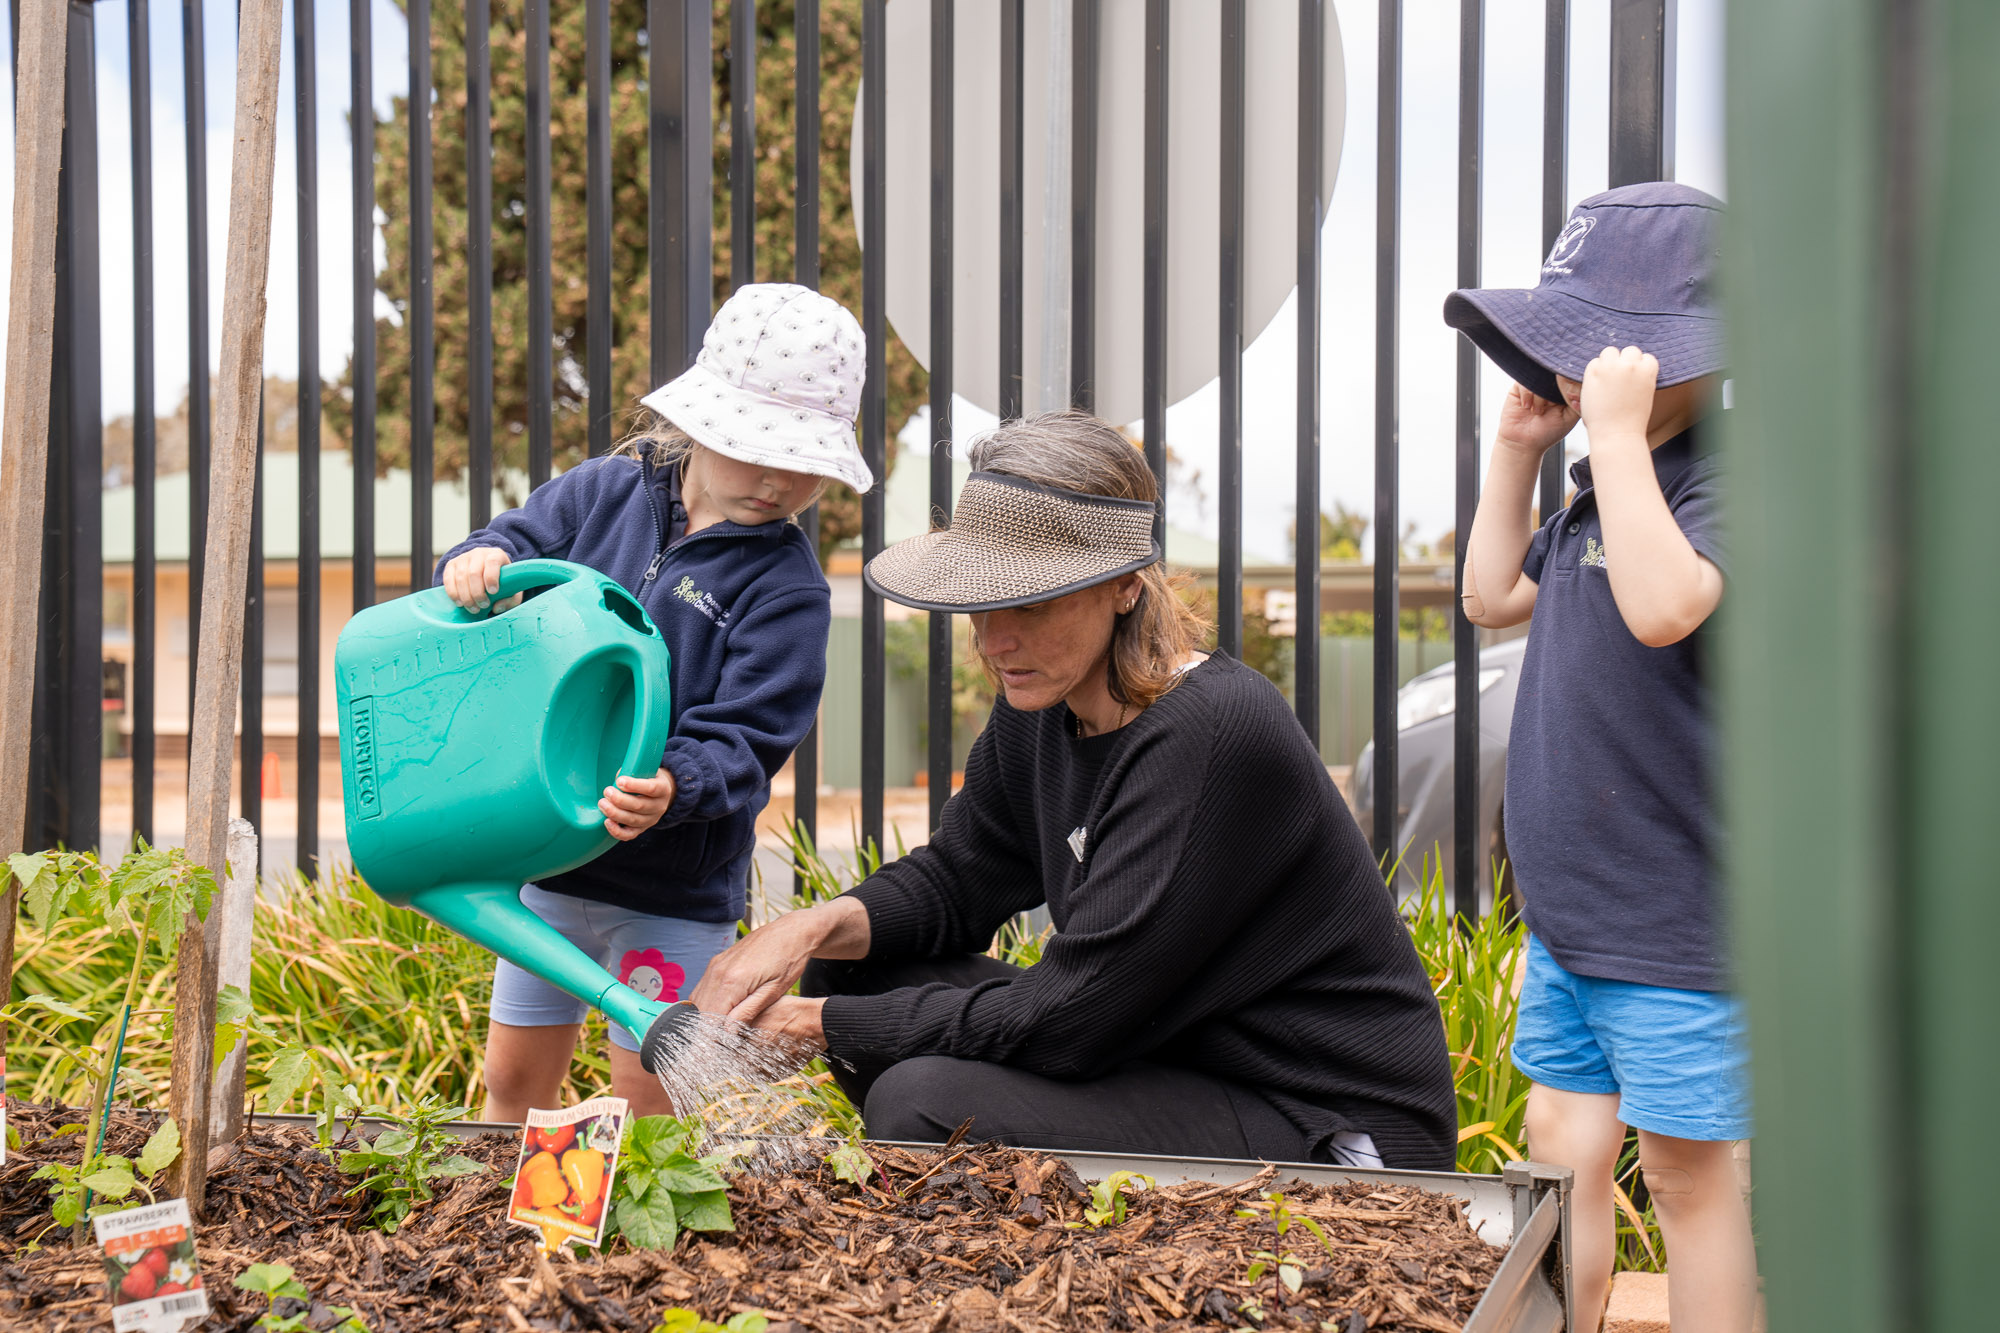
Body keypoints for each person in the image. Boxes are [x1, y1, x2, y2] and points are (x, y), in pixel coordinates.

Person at [690, 411, 1457, 1170]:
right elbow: (959, 881)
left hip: (1325, 1117)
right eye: (982, 601)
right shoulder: (1044, 702)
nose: (994, 640)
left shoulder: (1211, 732)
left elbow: (1070, 1018)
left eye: (1030, 602)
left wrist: (816, 1026)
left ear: (1123, 584)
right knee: (855, 968)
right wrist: (810, 928)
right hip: (1173, 1051)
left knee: (920, 1103)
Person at [436, 283, 872, 1121]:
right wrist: (480, 561)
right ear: (701, 425)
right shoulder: (602, 493)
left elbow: (749, 737)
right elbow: (513, 543)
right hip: (551, 860)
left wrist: (674, 782)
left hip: (671, 890)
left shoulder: (786, 589)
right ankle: (496, 1194)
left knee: (652, 1104)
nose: (778, 480)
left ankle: (631, 1210)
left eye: (804, 463)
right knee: (513, 1080)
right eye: (757, 449)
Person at [1448, 183, 1755, 1331]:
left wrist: (1617, 442)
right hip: (1572, 914)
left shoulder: (1718, 482)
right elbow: (1488, 596)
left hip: (1672, 919)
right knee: (1556, 1150)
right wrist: (1515, 451)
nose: (1567, 370)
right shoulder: (1594, 496)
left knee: (1683, 1175)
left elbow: (1665, 605)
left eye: (1594, 347)